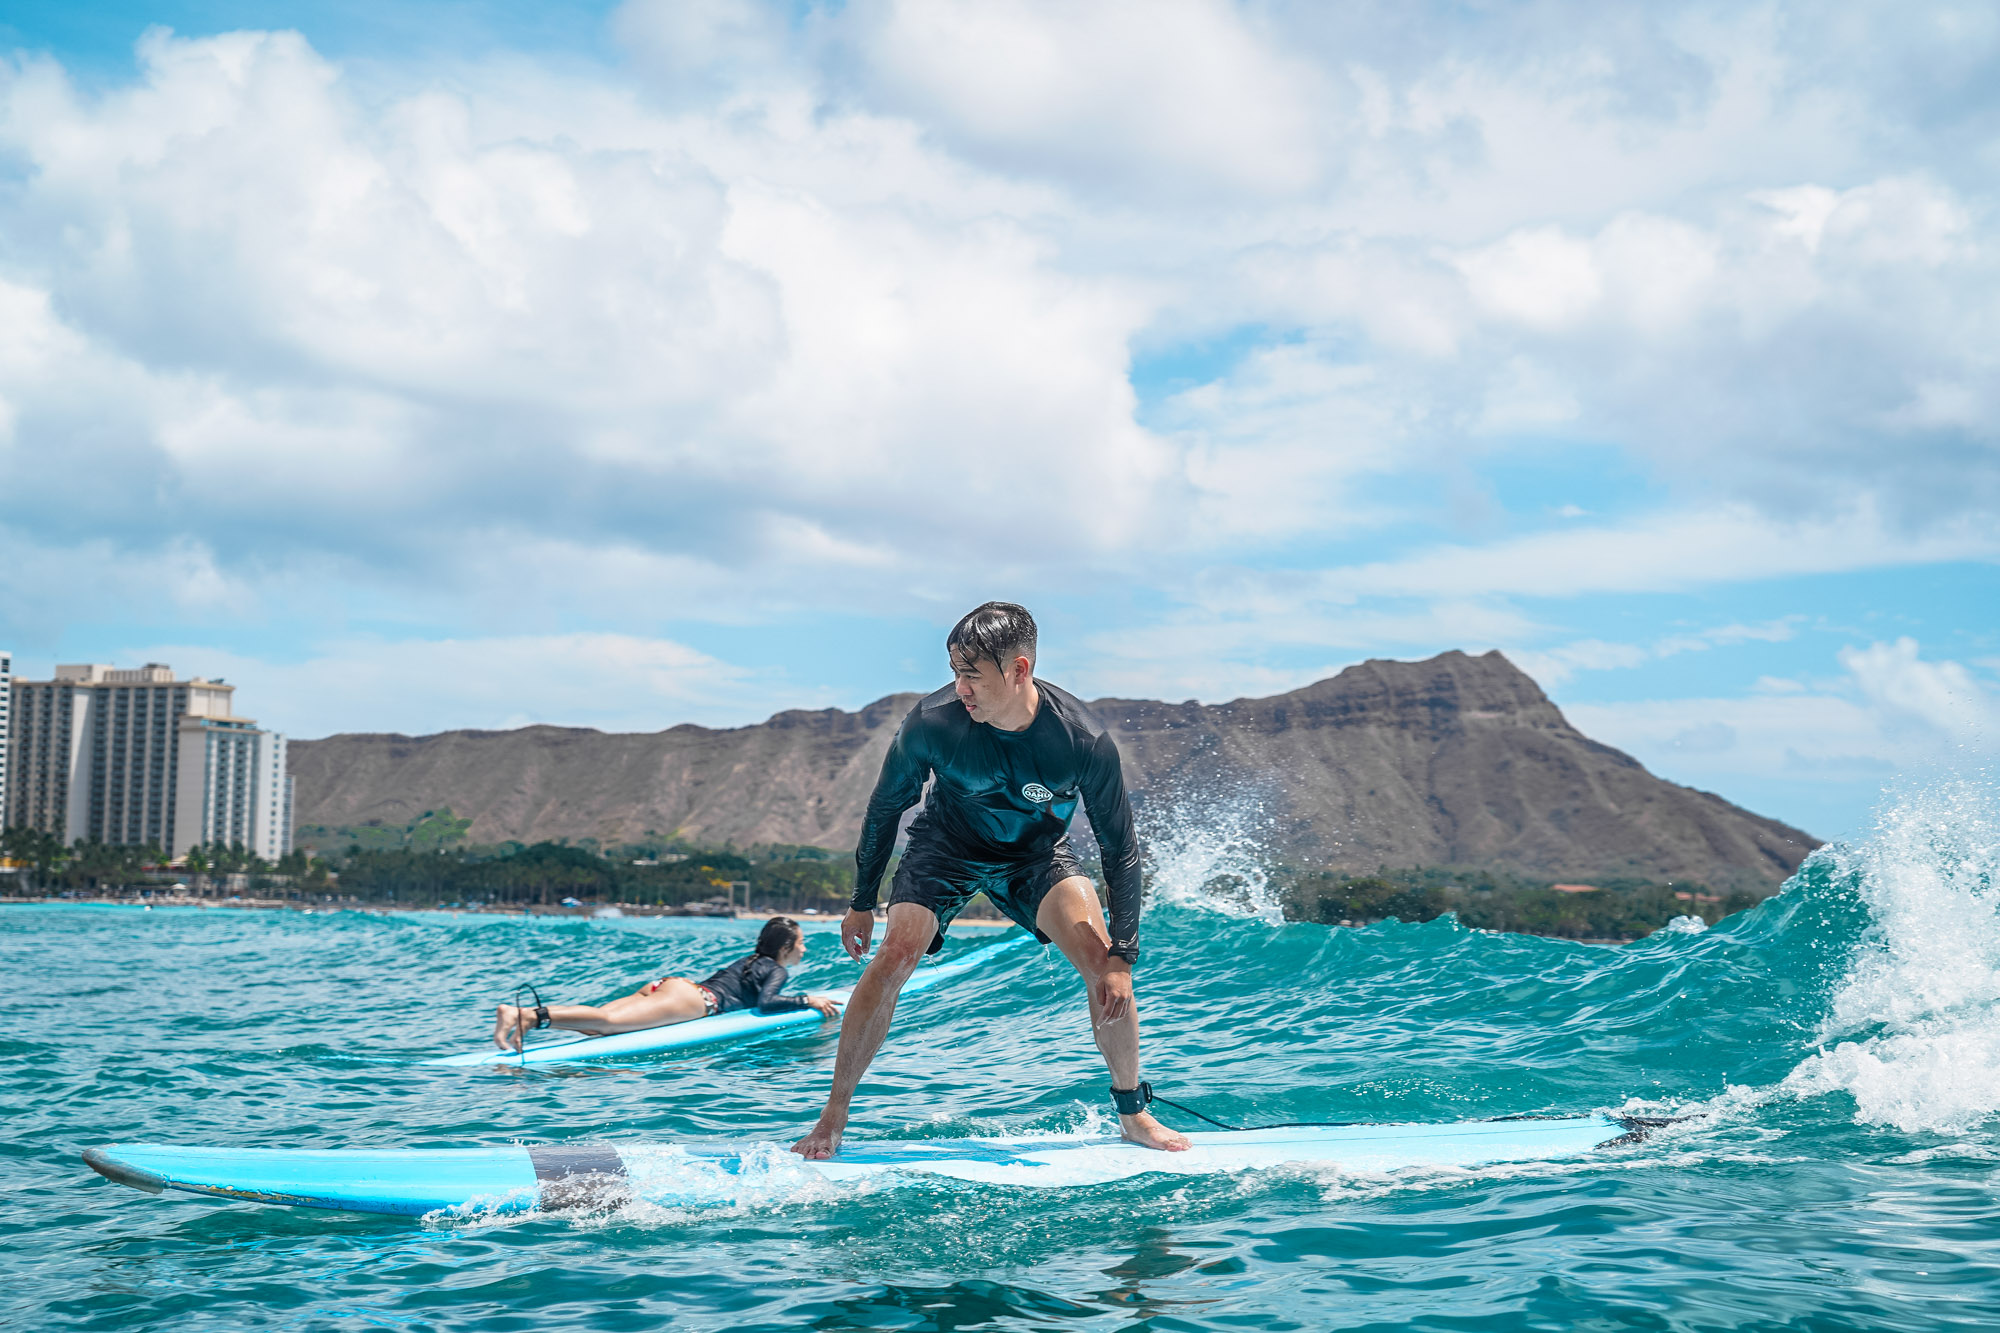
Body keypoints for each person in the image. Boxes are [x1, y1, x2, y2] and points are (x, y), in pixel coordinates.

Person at [791, 601, 1190, 1158]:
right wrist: (862, 902)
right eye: (955, 673)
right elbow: (884, 810)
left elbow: (1119, 849)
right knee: (895, 954)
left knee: (1102, 965)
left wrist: (1124, 957)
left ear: (1019, 669)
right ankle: (832, 1118)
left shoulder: (1081, 741)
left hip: (1036, 855)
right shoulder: (932, 724)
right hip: (945, 846)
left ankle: (1133, 1114)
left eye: (972, 675)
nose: (960, 689)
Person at [492, 915, 841, 1050]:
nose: (804, 949)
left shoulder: (750, 960)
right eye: (801, 943)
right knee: (608, 1023)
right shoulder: (777, 970)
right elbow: (767, 1003)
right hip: (695, 1001)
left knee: (599, 1025)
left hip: (672, 986)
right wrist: (807, 1000)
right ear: (785, 947)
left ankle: (527, 1024)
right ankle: (526, 1015)